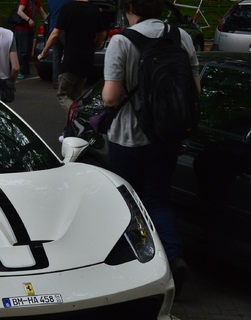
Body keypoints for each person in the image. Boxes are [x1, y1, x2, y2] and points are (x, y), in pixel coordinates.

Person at [101, 0, 200, 296]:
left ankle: (136, 268)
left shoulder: (121, 40)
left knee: (128, 204)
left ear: (128, 6)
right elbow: (195, 89)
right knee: (158, 198)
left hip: (129, 138)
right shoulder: (180, 36)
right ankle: (173, 257)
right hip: (168, 136)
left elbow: (109, 98)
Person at [36, 0, 105, 111]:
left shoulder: (68, 8)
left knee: (62, 95)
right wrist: (95, 48)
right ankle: (73, 125)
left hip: (71, 59)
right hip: (87, 59)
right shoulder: (94, 9)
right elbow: (102, 33)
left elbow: (55, 34)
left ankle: (77, 116)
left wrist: (43, 52)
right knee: (76, 96)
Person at [14, 0, 46, 80]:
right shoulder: (25, 0)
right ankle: (20, 71)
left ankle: (26, 71)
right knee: (22, 51)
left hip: (30, 30)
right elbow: (20, 11)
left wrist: (48, 21)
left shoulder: (36, 1)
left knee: (28, 51)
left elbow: (42, 13)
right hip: (22, 29)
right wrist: (28, 19)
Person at [45, 0, 72, 88]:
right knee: (69, 54)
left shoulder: (50, 1)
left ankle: (56, 81)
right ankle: (67, 80)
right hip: (64, 29)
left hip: (52, 29)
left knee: (56, 56)